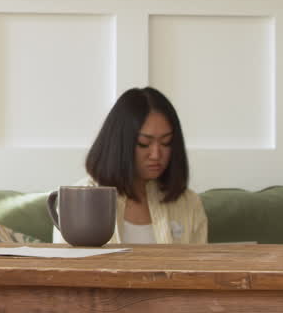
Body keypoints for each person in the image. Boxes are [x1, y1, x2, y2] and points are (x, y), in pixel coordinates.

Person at [57, 86, 208, 244]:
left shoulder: (189, 203)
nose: (156, 154)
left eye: (166, 142)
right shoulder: (76, 201)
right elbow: (65, 267)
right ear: (119, 144)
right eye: (144, 143)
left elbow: (200, 267)